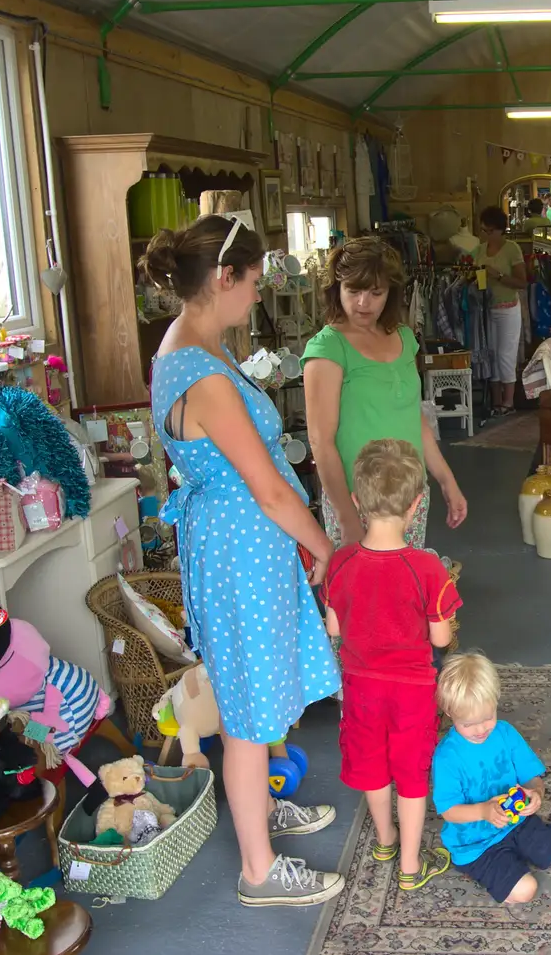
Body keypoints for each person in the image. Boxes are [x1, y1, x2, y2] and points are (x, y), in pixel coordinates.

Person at [144, 214, 343, 907]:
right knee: (249, 705)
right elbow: (267, 487)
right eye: (254, 283)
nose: (258, 296)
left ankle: (257, 803)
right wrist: (329, 550)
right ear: (223, 279)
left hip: (236, 543)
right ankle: (259, 870)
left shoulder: (193, 348)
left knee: (250, 695)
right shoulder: (204, 374)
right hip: (240, 547)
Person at [324, 439, 459, 891]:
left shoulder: (340, 563)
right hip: (412, 691)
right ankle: (408, 866)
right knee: (411, 774)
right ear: (417, 505)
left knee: (372, 765)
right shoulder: (428, 569)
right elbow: (441, 638)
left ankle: (384, 839)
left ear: (358, 502)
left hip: (360, 686)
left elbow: (334, 628)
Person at [304, 236, 468, 550]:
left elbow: (414, 417)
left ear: (390, 292)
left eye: (375, 293)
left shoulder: (405, 339)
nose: (363, 303)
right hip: (356, 499)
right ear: (336, 289)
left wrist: (446, 480)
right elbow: (320, 442)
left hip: (409, 498)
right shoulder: (328, 348)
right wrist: (346, 517)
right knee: (361, 595)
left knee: (404, 590)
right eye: (353, 290)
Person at [432, 652, 551, 904]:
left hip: (517, 821)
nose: (480, 730)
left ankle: (515, 856)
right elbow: (449, 811)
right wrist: (483, 812)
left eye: (487, 718)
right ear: (448, 711)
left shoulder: (505, 733)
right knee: (525, 890)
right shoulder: (447, 757)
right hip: (476, 843)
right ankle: (499, 865)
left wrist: (536, 795)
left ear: (496, 701)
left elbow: (532, 778)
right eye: (468, 723)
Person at [473, 207, 528, 419]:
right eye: (483, 230)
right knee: (491, 354)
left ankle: (509, 401)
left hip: (507, 308)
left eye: (488, 230)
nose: (484, 234)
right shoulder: (480, 250)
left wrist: (498, 275)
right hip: (486, 307)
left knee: (506, 355)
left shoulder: (512, 249)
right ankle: (496, 401)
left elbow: (522, 282)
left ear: (499, 230)